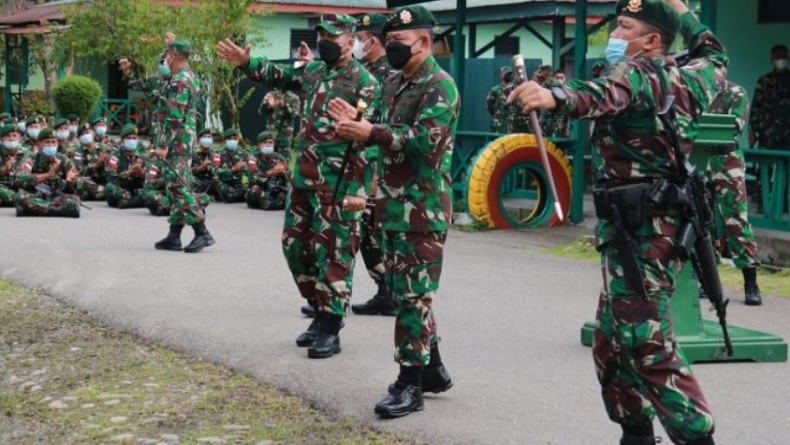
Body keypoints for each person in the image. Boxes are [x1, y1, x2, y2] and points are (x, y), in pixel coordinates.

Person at [508, 1, 725, 443]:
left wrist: (553, 96)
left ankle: (698, 438)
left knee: (647, 343)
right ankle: (636, 433)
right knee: (611, 342)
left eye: (624, 27)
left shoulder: (636, 72)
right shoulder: (698, 74)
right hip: (647, 228)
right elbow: (715, 52)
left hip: (643, 233)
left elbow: (601, 95)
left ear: (651, 41)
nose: (615, 35)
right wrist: (684, 12)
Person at [217, 13, 380, 359]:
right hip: (303, 179)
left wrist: (358, 190)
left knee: (333, 252)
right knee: (296, 247)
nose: (324, 41)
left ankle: (331, 326)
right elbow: (278, 74)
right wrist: (248, 62)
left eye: (332, 36)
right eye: (321, 34)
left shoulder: (365, 83)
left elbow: (371, 142)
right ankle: (318, 310)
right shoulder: (313, 72)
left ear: (350, 41)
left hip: (338, 184)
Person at [328, 5, 457, 418]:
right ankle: (432, 369)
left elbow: (423, 141)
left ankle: (409, 384)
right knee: (407, 293)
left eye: (397, 42)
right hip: (391, 205)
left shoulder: (440, 86)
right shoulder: (396, 83)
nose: (390, 49)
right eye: (389, 42)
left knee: (412, 298)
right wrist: (359, 123)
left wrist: (373, 132)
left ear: (422, 41)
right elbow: (382, 130)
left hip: (423, 209)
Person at [350, 12, 398, 317]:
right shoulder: (362, 70)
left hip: (375, 165)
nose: (356, 44)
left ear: (374, 41)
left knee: (372, 228)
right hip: (360, 160)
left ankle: (389, 290)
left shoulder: (388, 76)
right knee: (366, 229)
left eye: (360, 39)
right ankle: (386, 289)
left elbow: (385, 127)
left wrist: (376, 172)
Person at [152, 39, 215, 253]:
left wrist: (162, 145)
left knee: (178, 186)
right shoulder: (190, 76)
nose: (165, 58)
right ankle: (174, 235)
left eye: (167, 53)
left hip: (176, 142)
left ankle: (202, 231)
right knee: (177, 185)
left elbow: (175, 116)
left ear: (173, 54)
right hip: (184, 141)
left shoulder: (180, 80)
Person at [705, 80, 763, 305]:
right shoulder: (692, 88)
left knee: (736, 220)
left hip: (727, 161)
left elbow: (732, 126)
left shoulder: (735, 92)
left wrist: (695, 127)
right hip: (699, 159)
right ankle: (706, 280)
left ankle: (750, 282)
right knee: (702, 221)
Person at [14, 127, 81, 217]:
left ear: (57, 143)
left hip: (55, 196)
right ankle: (57, 210)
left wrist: (71, 181)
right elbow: (19, 178)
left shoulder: (62, 159)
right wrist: (48, 175)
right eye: (47, 142)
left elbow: (75, 179)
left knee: (74, 200)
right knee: (20, 197)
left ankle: (38, 209)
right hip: (35, 195)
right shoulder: (32, 157)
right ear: (39, 144)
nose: (50, 145)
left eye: (53, 142)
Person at [749, 44, 790, 150]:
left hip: (787, 135)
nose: (781, 60)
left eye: (783, 57)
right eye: (777, 57)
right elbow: (756, 108)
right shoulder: (764, 82)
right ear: (772, 59)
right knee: (765, 164)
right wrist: (752, 131)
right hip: (767, 135)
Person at [104, 123, 147, 209]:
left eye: (134, 138)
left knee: (150, 192)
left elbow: (149, 179)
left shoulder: (142, 156)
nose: (131, 140)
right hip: (122, 187)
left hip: (136, 188)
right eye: (128, 138)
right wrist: (128, 173)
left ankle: (128, 203)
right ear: (122, 140)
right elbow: (110, 178)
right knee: (109, 188)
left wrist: (142, 173)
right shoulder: (114, 155)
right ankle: (134, 201)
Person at [245, 131, 289, 210]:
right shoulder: (252, 158)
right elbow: (253, 178)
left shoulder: (279, 157)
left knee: (287, 194)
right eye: (265, 143)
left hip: (275, 188)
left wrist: (283, 173)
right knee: (254, 191)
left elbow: (290, 175)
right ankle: (273, 203)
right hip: (260, 188)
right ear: (259, 145)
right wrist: (271, 172)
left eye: (270, 142)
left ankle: (271, 203)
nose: (268, 145)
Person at [258, 90, 301, 158]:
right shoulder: (270, 95)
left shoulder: (294, 98)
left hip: (285, 136)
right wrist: (268, 105)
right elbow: (261, 111)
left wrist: (284, 106)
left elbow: (295, 115)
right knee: (267, 158)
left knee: (283, 160)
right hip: (270, 135)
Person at [74, 123, 107, 201]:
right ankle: (106, 193)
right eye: (82, 134)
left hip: (103, 179)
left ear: (93, 133)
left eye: (87, 132)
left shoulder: (104, 148)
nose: (86, 135)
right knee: (80, 181)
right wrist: (96, 166)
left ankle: (101, 193)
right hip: (89, 181)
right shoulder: (78, 152)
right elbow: (79, 172)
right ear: (79, 138)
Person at [212, 129, 247, 203]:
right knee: (216, 182)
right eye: (229, 139)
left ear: (238, 140)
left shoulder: (244, 154)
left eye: (235, 139)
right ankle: (235, 196)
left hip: (238, 183)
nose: (232, 141)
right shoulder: (218, 154)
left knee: (247, 185)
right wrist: (233, 169)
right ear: (225, 140)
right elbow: (215, 171)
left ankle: (233, 196)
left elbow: (247, 172)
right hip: (225, 183)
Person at [0, 124, 24, 207]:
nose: (11, 139)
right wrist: (5, 169)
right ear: (1, 138)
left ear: (19, 137)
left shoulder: (26, 153)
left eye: (14, 135)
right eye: (7, 136)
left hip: (18, 187)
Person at [486, 66, 515, 134]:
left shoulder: (515, 89)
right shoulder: (495, 90)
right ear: (501, 75)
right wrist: (497, 114)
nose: (508, 76)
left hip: (512, 124)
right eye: (506, 74)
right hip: (499, 124)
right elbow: (489, 105)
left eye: (510, 74)